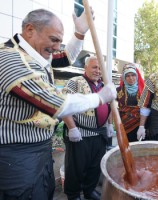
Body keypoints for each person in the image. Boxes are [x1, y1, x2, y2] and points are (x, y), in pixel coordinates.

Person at [0, 9, 117, 200]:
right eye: (53, 39)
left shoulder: (35, 55)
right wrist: (100, 98)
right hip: (16, 154)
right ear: (30, 30)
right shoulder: (9, 59)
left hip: (39, 148)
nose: (56, 47)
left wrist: (79, 34)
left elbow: (65, 57)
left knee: (43, 191)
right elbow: (56, 104)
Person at [61, 56, 114, 200]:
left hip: (100, 134)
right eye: (94, 67)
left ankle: (89, 191)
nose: (97, 71)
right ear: (85, 68)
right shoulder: (75, 82)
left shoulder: (105, 85)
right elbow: (63, 105)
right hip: (81, 133)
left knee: (94, 167)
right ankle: (73, 195)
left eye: (100, 68)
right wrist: (72, 128)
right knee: (76, 168)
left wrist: (109, 124)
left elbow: (111, 107)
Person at [116, 63, 144, 142]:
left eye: (133, 75)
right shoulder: (118, 91)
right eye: (127, 76)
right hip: (124, 126)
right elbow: (113, 108)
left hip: (142, 125)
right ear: (124, 78)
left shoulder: (144, 89)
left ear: (137, 76)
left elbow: (147, 107)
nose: (131, 78)